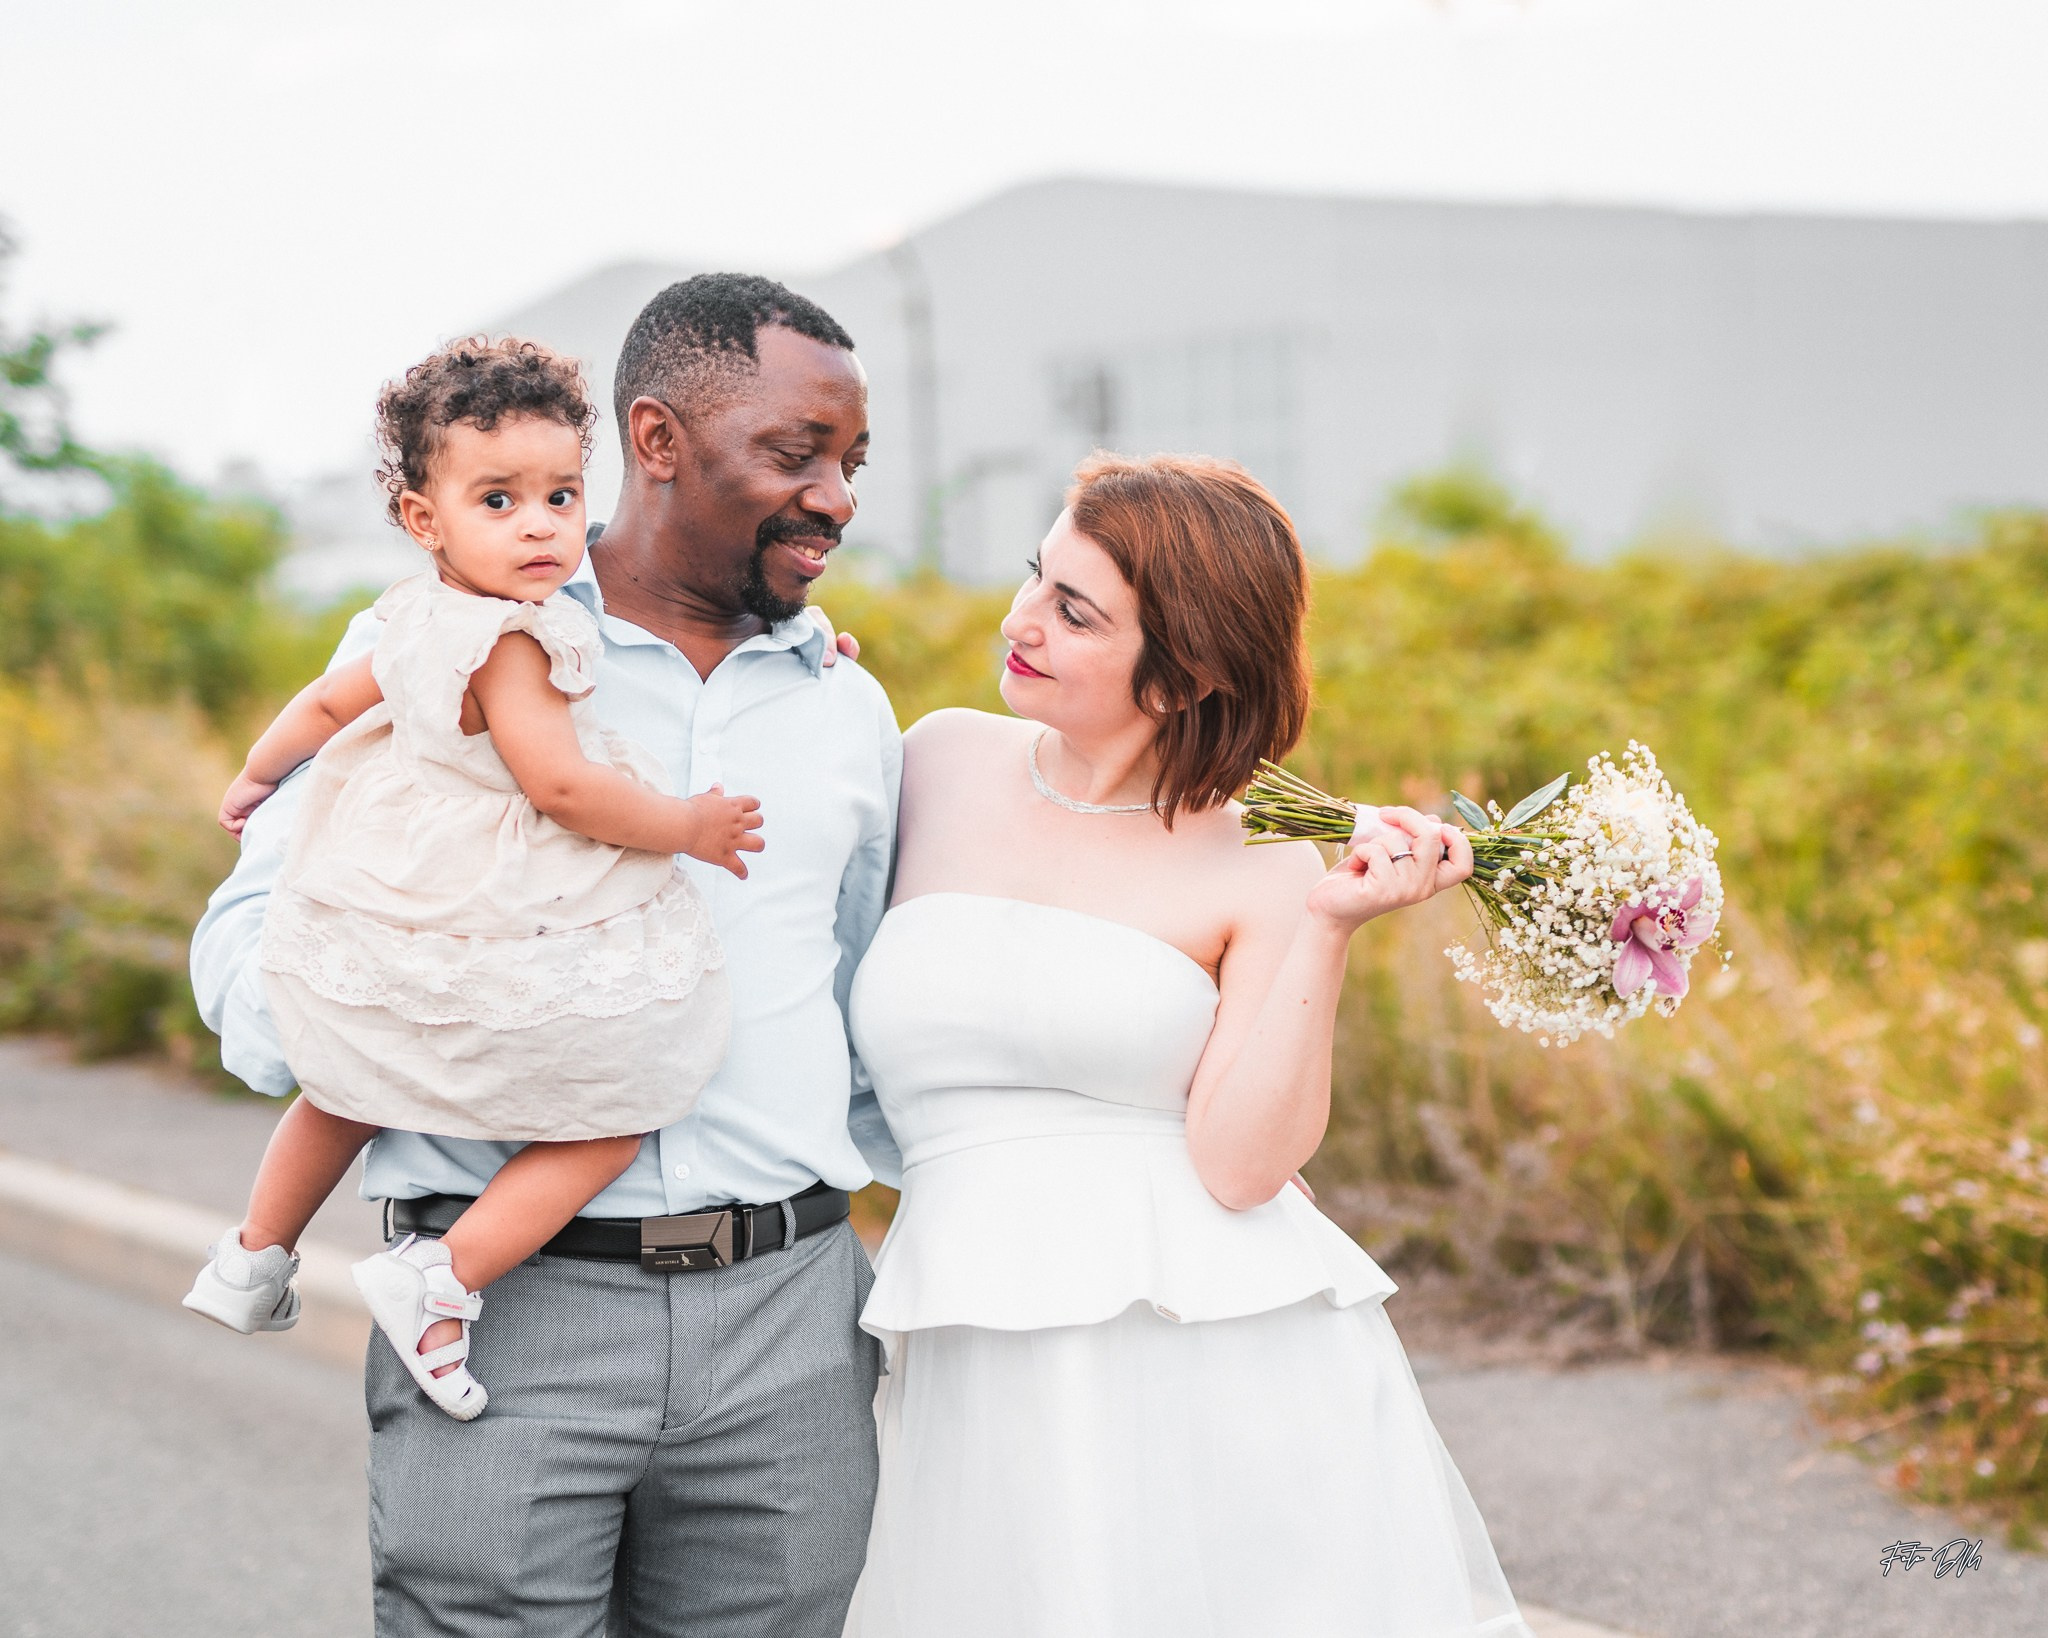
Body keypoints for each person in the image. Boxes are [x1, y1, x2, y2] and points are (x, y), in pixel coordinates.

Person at [191, 275, 902, 1637]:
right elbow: (247, 949)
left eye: (851, 462)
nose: (835, 496)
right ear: (656, 440)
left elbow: (860, 1001)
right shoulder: (450, 650)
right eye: (795, 453)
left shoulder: (850, 708)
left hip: (792, 1319)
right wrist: (408, 1022)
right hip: (500, 1309)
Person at [841, 453, 1540, 1637]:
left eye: (1076, 612)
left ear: (1183, 674)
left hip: (1206, 1350)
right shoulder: (928, 760)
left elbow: (1236, 1164)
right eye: (1034, 578)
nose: (1022, 622)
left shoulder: (1263, 856)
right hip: (970, 1327)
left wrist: (1327, 929)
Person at [183, 336, 759, 1423]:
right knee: (620, 1103)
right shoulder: (511, 643)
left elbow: (319, 708)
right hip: (498, 895)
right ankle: (442, 1274)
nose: (540, 524)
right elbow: (563, 791)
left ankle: (253, 1254)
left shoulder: (406, 613)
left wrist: (254, 779)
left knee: (347, 1079)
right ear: (422, 518)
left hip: (394, 888)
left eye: (559, 494)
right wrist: (687, 823)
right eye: (498, 500)